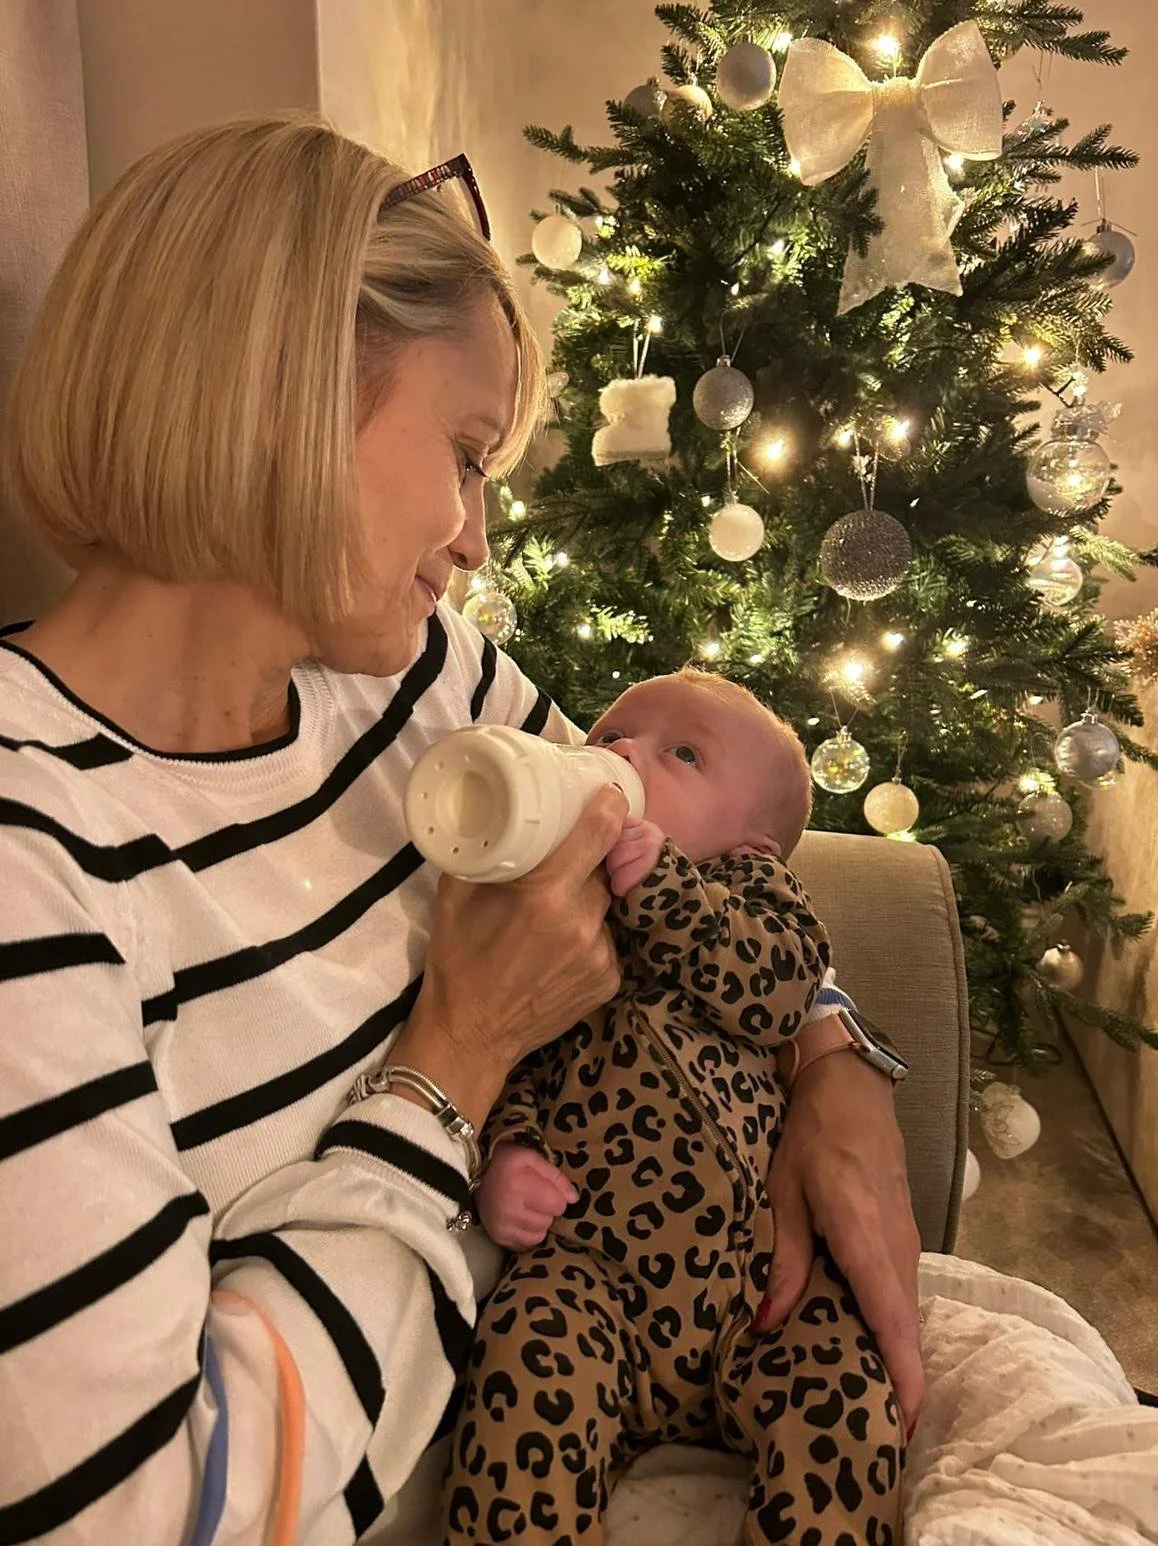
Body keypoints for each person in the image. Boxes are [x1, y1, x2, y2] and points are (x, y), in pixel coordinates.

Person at [0, 118, 921, 1545]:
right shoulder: (32, 842)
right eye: (466, 453)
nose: (478, 537)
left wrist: (831, 1053)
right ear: (281, 392)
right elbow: (151, 1511)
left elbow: (655, 836)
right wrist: (457, 1059)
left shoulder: (426, 678)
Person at [444, 670, 903, 1546]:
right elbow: (513, 1060)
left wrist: (664, 887)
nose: (622, 753)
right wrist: (507, 1156)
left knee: (845, 1400)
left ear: (753, 846)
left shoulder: (756, 899)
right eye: (611, 732)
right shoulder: (554, 911)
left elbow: (776, 993)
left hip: (757, 1280)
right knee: (524, 1363)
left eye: (682, 753)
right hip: (589, 1277)